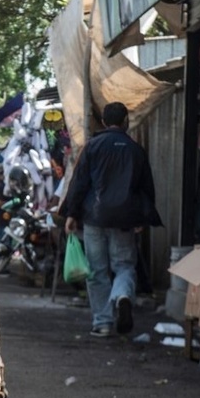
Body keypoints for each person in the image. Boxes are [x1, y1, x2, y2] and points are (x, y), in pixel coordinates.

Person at [60, 102, 161, 338]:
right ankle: (122, 295)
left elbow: (80, 183)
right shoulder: (136, 149)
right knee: (124, 265)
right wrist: (142, 217)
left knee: (97, 271)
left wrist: (72, 214)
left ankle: (103, 323)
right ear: (126, 120)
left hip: (95, 218)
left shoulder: (93, 146)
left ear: (104, 122)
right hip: (125, 219)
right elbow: (146, 187)